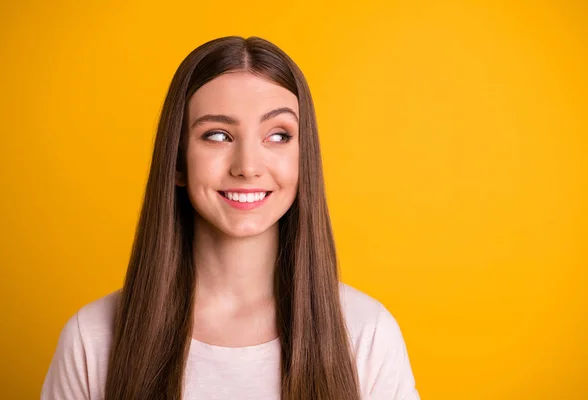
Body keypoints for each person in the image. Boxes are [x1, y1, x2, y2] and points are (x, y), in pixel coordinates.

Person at [41, 36, 420, 400]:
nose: (248, 166)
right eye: (218, 135)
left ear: (305, 159)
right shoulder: (92, 338)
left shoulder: (366, 334)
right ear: (177, 161)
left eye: (278, 135)